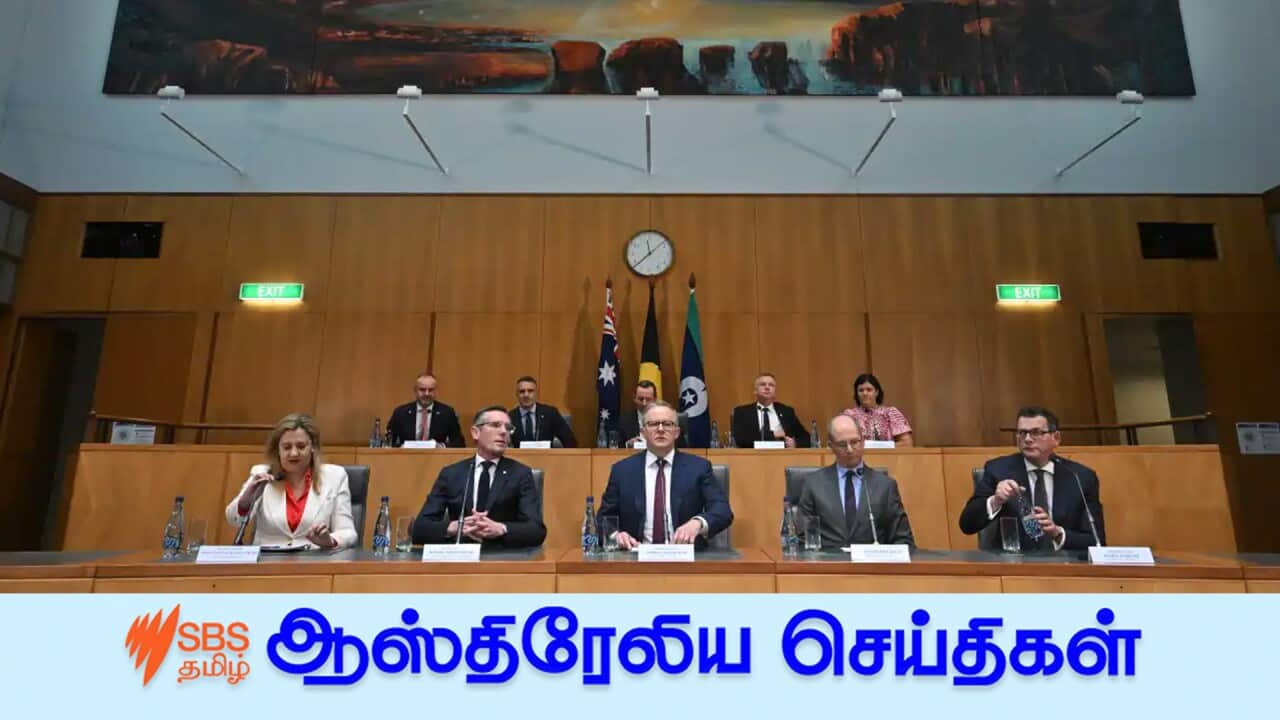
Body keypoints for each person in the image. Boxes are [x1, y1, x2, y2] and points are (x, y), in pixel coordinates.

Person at [958, 406, 1106, 552]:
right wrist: (996, 500)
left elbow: (1097, 541)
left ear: (1056, 438)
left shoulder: (1079, 477)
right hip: (1014, 566)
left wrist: (1057, 534)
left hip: (1065, 565)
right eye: (1022, 433)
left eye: (1036, 432)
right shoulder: (998, 470)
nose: (1028, 439)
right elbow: (967, 525)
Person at [598, 401, 733, 549]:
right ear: (643, 432)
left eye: (667, 424)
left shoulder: (698, 468)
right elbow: (602, 520)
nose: (661, 429)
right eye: (653, 424)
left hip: (686, 558)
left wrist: (698, 522)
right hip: (636, 557)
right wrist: (615, 536)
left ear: (677, 432)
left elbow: (722, 510)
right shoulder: (622, 471)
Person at [410, 406, 547, 548]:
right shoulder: (451, 474)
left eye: (508, 428)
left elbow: (536, 530)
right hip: (460, 557)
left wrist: (501, 528)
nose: (503, 432)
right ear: (476, 433)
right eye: (495, 425)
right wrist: (453, 527)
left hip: (503, 557)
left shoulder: (520, 474)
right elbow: (419, 530)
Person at [224, 413, 357, 550]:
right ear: (278, 450)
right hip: (267, 563)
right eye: (287, 447)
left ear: (312, 447)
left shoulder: (334, 476)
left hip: (314, 562)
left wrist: (329, 540)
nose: (294, 453)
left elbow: (348, 532)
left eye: (301, 446)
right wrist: (246, 500)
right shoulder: (262, 473)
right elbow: (233, 520)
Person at [796, 414, 915, 547]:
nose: (850, 450)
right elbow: (801, 539)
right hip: (828, 564)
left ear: (863, 441)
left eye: (854, 442)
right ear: (831, 446)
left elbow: (903, 540)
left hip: (872, 565)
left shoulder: (885, 486)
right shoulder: (813, 484)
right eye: (842, 444)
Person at [730, 372, 810, 448]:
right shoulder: (742, 412)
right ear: (755, 391)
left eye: (771, 385)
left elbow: (806, 437)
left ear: (774, 391)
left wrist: (795, 443)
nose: (767, 387)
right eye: (763, 384)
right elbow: (740, 439)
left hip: (782, 456)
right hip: (753, 458)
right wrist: (773, 434)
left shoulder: (786, 411)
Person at [387, 372, 465, 447]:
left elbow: (459, 443)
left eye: (430, 390)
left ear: (435, 391)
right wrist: (402, 447)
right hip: (406, 458)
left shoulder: (447, 413)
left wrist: (441, 446)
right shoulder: (400, 413)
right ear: (415, 390)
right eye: (422, 389)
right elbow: (388, 442)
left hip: (437, 458)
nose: (426, 394)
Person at [842, 373, 914, 446]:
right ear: (856, 394)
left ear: (876, 392)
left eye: (869, 390)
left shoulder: (890, 413)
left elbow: (907, 443)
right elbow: (842, 443)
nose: (865, 393)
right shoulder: (849, 415)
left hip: (888, 456)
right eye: (861, 390)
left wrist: (881, 447)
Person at [508, 375, 577, 448]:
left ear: (536, 393)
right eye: (522, 391)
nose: (526, 395)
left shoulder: (550, 413)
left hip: (546, 457)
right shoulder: (509, 417)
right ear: (516, 394)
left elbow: (570, 441)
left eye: (530, 391)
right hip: (518, 458)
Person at [617, 380, 687, 449]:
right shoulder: (624, 420)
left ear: (655, 399)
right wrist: (628, 444)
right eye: (641, 399)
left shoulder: (669, 418)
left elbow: (683, 447)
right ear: (634, 398)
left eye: (648, 399)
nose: (644, 403)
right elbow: (617, 447)